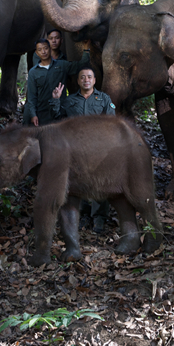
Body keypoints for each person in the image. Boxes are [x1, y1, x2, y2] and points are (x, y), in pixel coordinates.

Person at [50, 67, 115, 233]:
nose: (86, 79)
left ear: (94, 80)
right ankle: (83, 214)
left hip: (98, 148)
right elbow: (58, 119)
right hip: (75, 148)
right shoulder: (70, 100)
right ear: (78, 81)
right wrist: (57, 100)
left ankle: (99, 218)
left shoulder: (104, 99)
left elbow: (111, 123)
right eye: (82, 77)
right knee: (78, 181)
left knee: (99, 182)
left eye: (89, 77)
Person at [22, 38, 91, 126]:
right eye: (40, 49)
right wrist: (33, 115)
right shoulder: (33, 72)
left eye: (46, 48)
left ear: (50, 49)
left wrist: (86, 49)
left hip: (58, 112)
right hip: (41, 112)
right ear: (36, 53)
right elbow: (32, 96)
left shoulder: (62, 65)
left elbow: (81, 65)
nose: (43, 51)